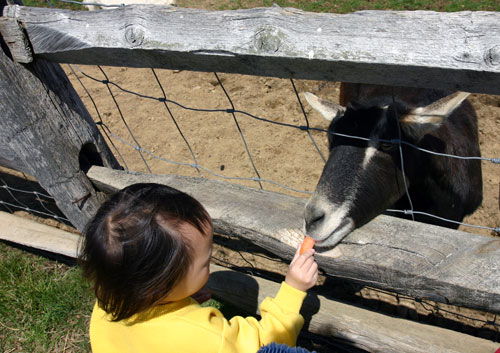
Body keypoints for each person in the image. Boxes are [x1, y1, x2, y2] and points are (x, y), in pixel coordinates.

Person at [79, 183, 318, 353]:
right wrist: (292, 290)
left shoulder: (108, 302)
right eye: (206, 262)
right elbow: (266, 343)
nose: (210, 264)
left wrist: (180, 299)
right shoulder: (210, 338)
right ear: (161, 284)